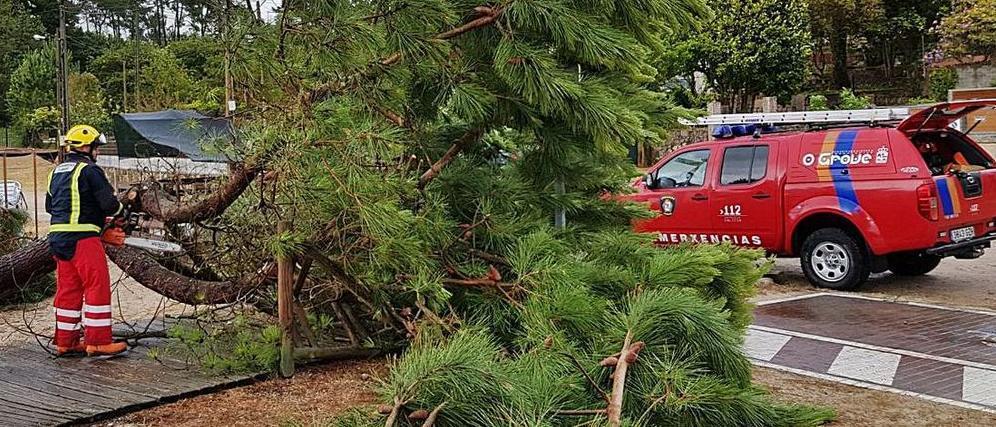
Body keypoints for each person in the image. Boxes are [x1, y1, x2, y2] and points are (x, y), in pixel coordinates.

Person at [46, 124, 129, 357]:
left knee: (68, 289)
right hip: (83, 238)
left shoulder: (56, 172)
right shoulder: (90, 170)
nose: (98, 152)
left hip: (58, 239)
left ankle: (66, 341)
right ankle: (99, 341)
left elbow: (50, 206)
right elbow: (110, 204)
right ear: (86, 147)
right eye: (96, 147)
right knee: (97, 285)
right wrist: (123, 214)